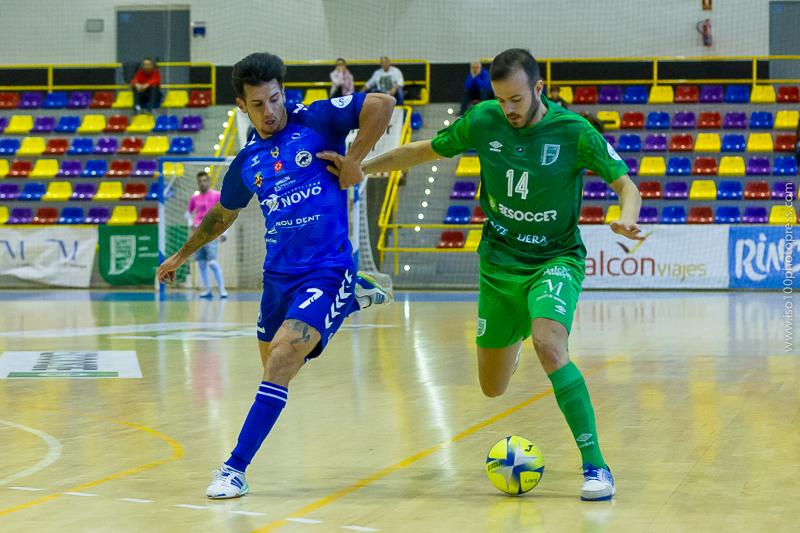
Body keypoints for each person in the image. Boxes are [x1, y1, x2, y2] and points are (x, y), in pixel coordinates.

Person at [320, 48, 644, 502]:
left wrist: (627, 216)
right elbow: (421, 150)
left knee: (550, 344)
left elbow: (625, 184)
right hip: (498, 262)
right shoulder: (484, 119)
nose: (508, 109)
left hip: (555, 259)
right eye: (501, 99)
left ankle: (596, 467)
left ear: (539, 89)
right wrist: (362, 167)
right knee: (492, 389)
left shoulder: (574, 132)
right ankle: (510, 341)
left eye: (516, 98)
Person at [156, 52, 394, 499]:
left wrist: (353, 160)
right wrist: (182, 255)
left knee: (285, 355)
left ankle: (234, 468)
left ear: (283, 93)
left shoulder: (318, 119)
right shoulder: (246, 162)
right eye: (258, 105)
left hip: (326, 266)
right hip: (278, 278)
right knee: (274, 363)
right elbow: (220, 218)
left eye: (275, 99)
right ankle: (352, 298)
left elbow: (381, 104)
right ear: (242, 107)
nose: (270, 111)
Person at [187, 171, 227, 298]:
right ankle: (207, 290)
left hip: (211, 232)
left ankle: (222, 289)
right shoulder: (194, 198)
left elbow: (225, 212)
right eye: (200, 181)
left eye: (204, 180)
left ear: (208, 181)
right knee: (201, 262)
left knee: (212, 261)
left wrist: (225, 231)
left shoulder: (216, 195)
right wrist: (190, 224)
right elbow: (188, 213)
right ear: (197, 182)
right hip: (198, 233)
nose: (202, 183)